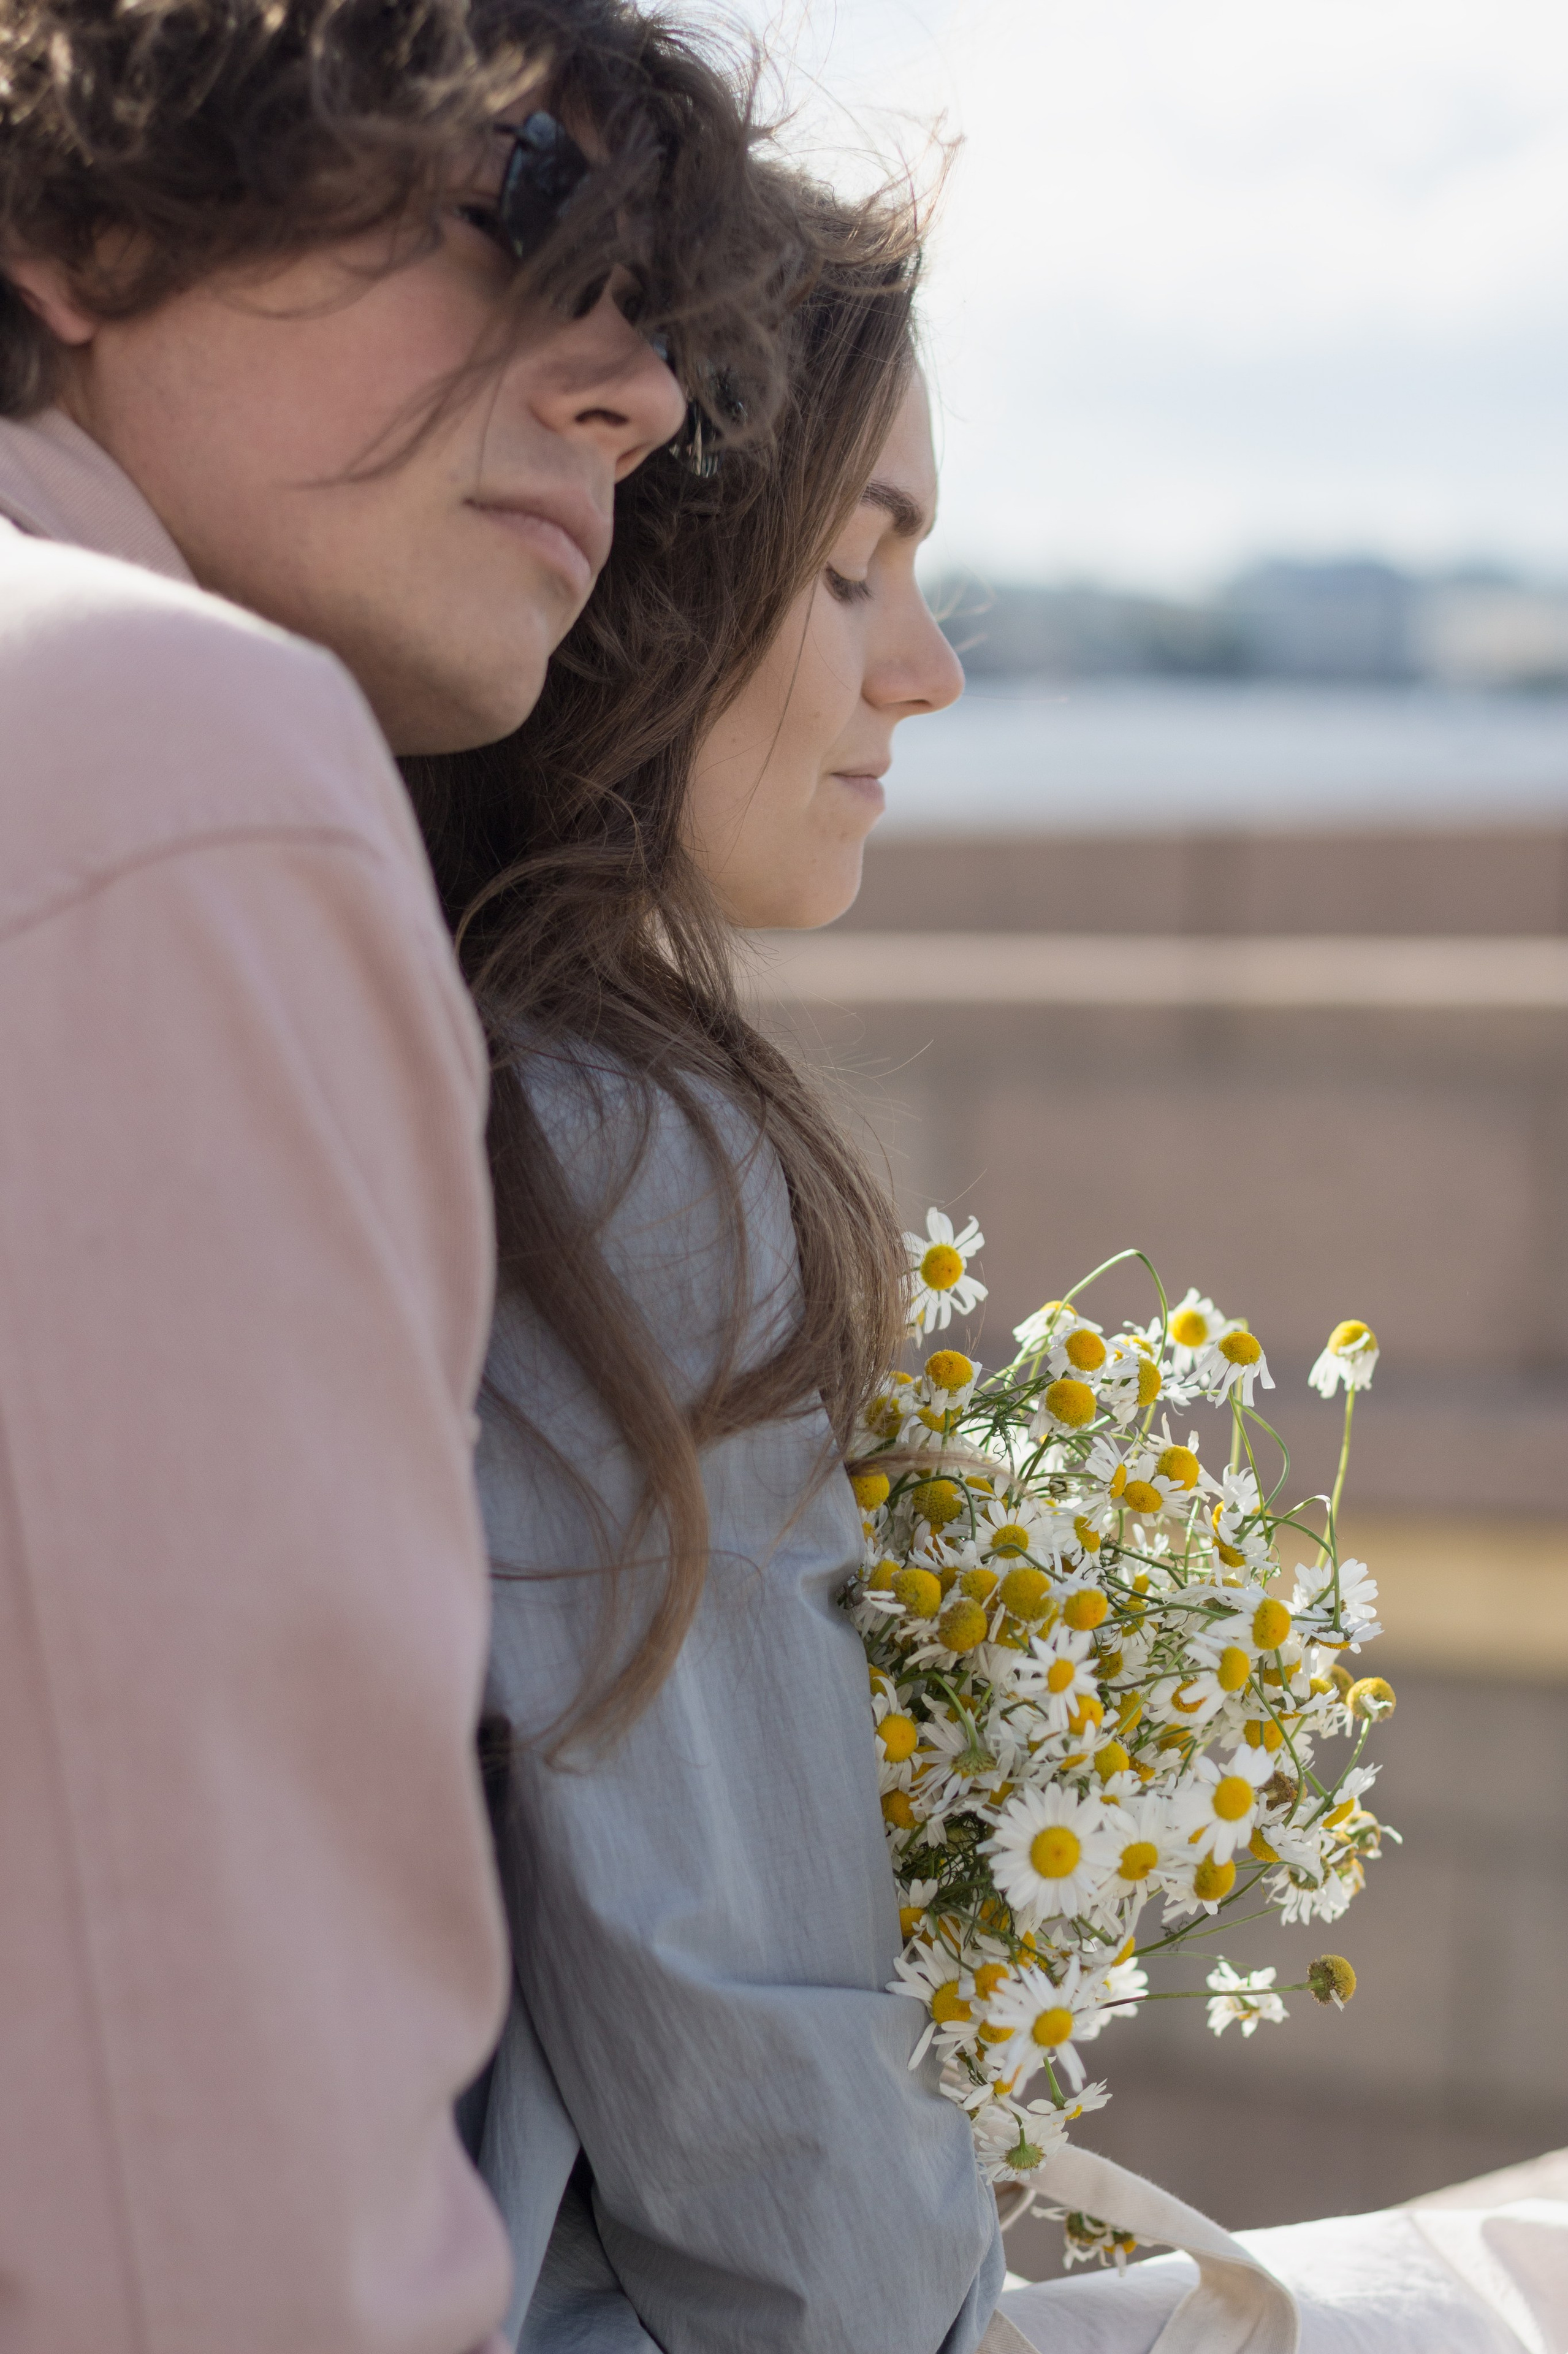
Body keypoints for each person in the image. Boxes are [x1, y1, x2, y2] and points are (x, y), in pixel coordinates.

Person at [0, 1, 807, 2346]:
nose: (634, 392)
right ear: (78, 212)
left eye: (664, 313)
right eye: (527, 209)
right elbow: (202, 2213)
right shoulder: (145, 756)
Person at [405, 179, 1016, 2353]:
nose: (923, 671)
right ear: (640, 574)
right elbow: (741, 2085)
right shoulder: (613, 1152)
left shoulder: (387, 1036)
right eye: (853, 569)